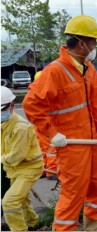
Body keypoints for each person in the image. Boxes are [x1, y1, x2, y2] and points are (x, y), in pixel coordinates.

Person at [22, 15, 97, 231]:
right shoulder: (55, 71)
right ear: (81, 42)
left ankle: (93, 225)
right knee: (74, 191)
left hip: (95, 142)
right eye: (93, 42)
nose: (95, 47)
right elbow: (31, 104)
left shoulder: (89, 69)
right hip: (72, 145)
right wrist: (51, 133)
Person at [1, 86, 44, 231]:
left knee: (10, 202)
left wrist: (2, 159)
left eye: (2, 109)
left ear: (12, 106)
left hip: (29, 168)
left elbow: (16, 156)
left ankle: (19, 229)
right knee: (22, 198)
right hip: (15, 169)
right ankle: (33, 223)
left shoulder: (20, 127)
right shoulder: (4, 123)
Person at [32, 70, 58, 180]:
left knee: (41, 148)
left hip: (38, 125)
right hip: (46, 124)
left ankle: (42, 170)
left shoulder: (34, 92)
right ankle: (51, 171)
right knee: (51, 147)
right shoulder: (45, 93)